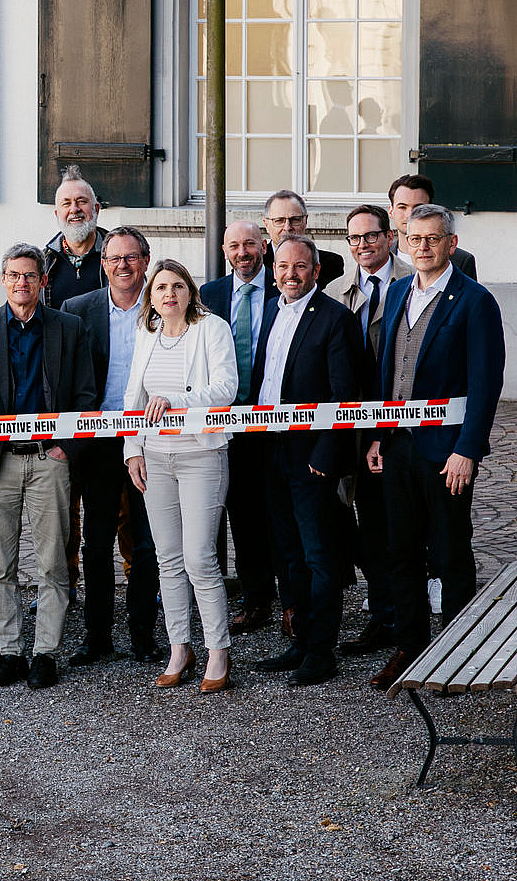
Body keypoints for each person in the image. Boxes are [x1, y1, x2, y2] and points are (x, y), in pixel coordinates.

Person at [365, 204, 504, 690]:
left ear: (451, 243)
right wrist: (377, 433)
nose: (422, 246)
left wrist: (468, 450)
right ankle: (410, 647)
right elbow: (387, 369)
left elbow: (485, 383)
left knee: (449, 552)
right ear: (403, 242)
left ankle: (459, 653)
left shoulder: (474, 301)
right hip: (398, 443)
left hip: (447, 451)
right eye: (414, 238)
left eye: (432, 238)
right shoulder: (398, 291)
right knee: (401, 551)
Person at [0, 244, 97, 691]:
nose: (21, 283)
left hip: (50, 459)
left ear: (43, 281)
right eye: (13, 275)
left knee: (53, 563)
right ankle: (9, 652)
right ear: (3, 280)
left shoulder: (69, 328)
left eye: (30, 275)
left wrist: (66, 448)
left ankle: (46, 653)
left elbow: (86, 394)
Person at [121, 260, 240, 693]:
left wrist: (176, 400)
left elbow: (226, 388)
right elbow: (133, 397)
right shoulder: (146, 333)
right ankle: (179, 648)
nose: (168, 294)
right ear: (150, 297)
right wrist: (133, 450)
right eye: (160, 288)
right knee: (167, 559)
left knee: (199, 559)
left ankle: (218, 651)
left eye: (177, 286)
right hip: (155, 458)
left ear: (190, 292)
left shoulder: (212, 329)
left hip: (201, 456)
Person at [249, 235, 363, 687]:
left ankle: (321, 651)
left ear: (316, 271)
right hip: (271, 449)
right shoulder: (270, 311)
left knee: (319, 557)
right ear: (272, 270)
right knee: (288, 553)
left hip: (311, 456)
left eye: (299, 266)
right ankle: (298, 640)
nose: (290, 275)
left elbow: (345, 393)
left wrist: (326, 454)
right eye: (282, 266)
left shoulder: (335, 319)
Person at [61, 226, 161, 665]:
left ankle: (143, 635)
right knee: (96, 542)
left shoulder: (165, 305)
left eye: (131, 257)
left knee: (145, 542)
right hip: (98, 442)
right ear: (102, 264)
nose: (123, 265)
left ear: (146, 260)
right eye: (114, 258)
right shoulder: (77, 309)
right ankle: (97, 636)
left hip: (150, 438)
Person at [324, 204, 409, 656]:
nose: (362, 245)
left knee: (398, 524)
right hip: (350, 427)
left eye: (371, 236)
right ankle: (382, 614)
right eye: (354, 238)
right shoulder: (336, 291)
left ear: (389, 237)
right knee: (366, 526)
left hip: (397, 425)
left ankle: (405, 618)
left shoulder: (412, 282)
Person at [198, 219, 282, 635]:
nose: (242, 253)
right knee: (244, 516)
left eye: (249, 244)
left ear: (264, 246)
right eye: (234, 246)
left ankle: (294, 600)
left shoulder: (284, 287)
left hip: (277, 421)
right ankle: (256, 599)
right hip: (228, 422)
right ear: (225, 252)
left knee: (282, 513)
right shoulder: (209, 295)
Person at [41, 166, 109, 308]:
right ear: (57, 214)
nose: (74, 209)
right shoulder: (44, 261)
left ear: (96, 209)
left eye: (81, 201)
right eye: (66, 203)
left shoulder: (116, 256)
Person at [388, 174, 478, 279]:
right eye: (402, 207)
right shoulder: (380, 257)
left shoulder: (462, 260)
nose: (410, 214)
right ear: (391, 211)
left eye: (419, 208)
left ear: (431, 210)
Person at [260, 189, 345, 288]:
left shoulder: (330, 264)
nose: (287, 227)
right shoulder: (258, 263)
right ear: (266, 225)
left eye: (295, 220)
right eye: (279, 221)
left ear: (306, 221)